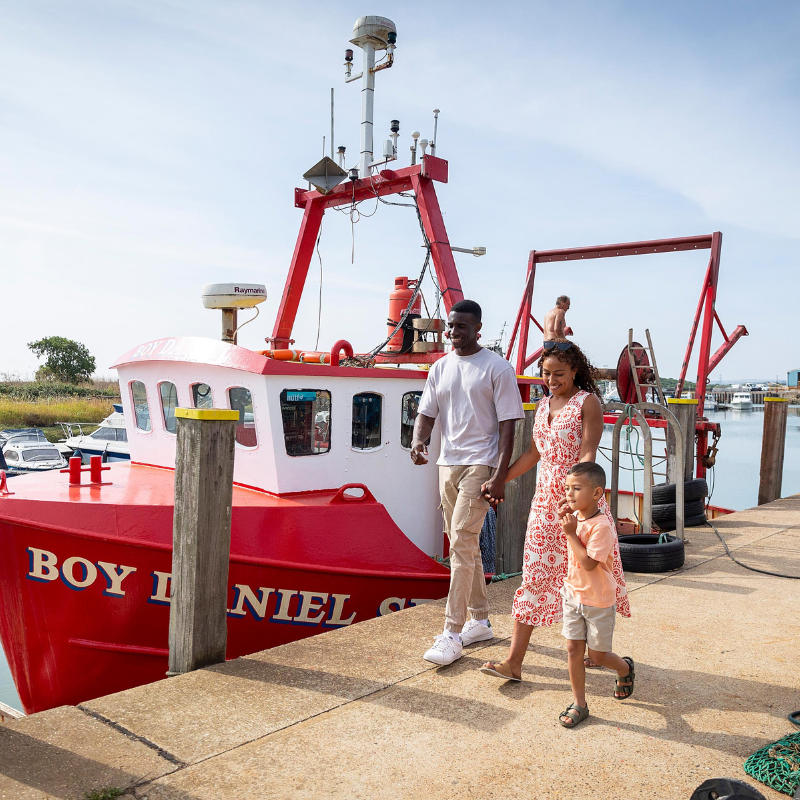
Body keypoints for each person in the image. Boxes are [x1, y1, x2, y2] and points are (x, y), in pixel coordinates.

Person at [479, 341, 630, 681]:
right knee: (532, 576)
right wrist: (499, 478)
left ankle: (597, 651)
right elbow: (534, 454)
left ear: (576, 370)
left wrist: (576, 498)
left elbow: (588, 454)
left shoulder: (587, 403)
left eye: (559, 374)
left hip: (579, 505)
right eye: (546, 373)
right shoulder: (543, 403)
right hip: (543, 506)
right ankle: (514, 663)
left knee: (588, 579)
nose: (551, 380)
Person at [411, 299, 524, 666]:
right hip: (448, 464)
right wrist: (418, 441)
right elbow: (427, 413)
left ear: (478, 328)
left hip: (482, 463)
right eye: (450, 326)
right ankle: (480, 620)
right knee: (466, 544)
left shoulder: (497, 368)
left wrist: (500, 474)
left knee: (460, 541)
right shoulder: (440, 368)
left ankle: (452, 632)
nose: (453, 333)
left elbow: (509, 424)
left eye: (461, 327)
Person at [556, 461, 634, 728]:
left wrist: (569, 534)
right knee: (572, 649)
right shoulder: (576, 519)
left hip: (598, 600)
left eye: (576, 488)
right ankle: (580, 703)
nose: (569, 493)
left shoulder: (601, 527)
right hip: (573, 594)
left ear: (597, 493)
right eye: (567, 488)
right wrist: (570, 524)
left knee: (598, 656)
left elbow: (589, 563)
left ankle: (624, 668)